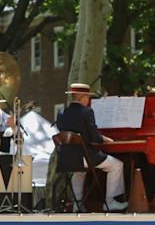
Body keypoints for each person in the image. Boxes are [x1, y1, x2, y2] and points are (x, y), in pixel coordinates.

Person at [54, 83, 128, 212]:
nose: (88, 100)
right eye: (88, 97)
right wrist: (106, 139)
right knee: (117, 165)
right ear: (83, 97)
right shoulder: (87, 112)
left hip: (66, 159)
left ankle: (77, 205)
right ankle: (109, 202)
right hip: (85, 157)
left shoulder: (62, 113)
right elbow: (95, 138)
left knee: (78, 171)